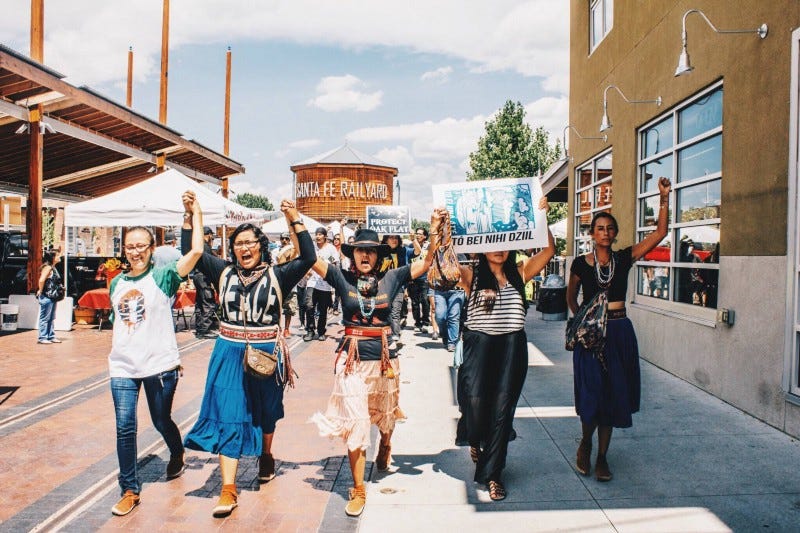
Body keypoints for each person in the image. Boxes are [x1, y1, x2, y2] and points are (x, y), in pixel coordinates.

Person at [182, 199, 315, 518]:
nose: (244, 248)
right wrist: (190, 217)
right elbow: (191, 253)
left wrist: (293, 217)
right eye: (238, 243)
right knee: (229, 414)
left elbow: (309, 257)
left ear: (261, 246)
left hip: (266, 353)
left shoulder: (279, 275)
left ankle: (266, 454)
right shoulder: (222, 271)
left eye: (250, 242)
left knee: (267, 412)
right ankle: (228, 489)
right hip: (228, 353)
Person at [310, 209, 447, 517]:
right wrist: (295, 220)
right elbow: (309, 258)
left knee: (385, 415)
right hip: (351, 362)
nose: (365, 255)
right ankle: (358, 488)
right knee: (356, 422)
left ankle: (385, 444)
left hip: (385, 361)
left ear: (378, 255)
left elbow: (426, 262)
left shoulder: (392, 278)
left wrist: (434, 228)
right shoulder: (341, 277)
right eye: (360, 250)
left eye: (371, 251)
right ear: (352, 254)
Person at [566, 177, 671, 483]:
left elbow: (660, 233)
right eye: (600, 228)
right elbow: (571, 297)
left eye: (610, 228)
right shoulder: (580, 264)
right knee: (592, 394)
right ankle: (586, 442)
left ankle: (602, 457)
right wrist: (582, 321)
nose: (605, 232)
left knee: (612, 394)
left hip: (619, 330)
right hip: (591, 336)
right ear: (591, 233)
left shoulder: (623, 258)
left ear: (615, 234)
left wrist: (663, 199)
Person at [107, 190, 206, 517]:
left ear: (151, 249)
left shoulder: (163, 276)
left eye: (141, 246)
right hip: (122, 367)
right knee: (125, 427)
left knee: (161, 419)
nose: (135, 251)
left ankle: (176, 452)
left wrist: (193, 213)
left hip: (160, 365)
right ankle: (130, 489)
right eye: (130, 246)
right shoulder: (116, 283)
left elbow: (196, 251)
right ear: (124, 250)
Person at [456, 197, 555, 501]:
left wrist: (542, 218)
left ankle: (493, 475)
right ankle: (474, 438)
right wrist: (441, 233)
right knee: (474, 405)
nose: (499, 248)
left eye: (505, 242)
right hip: (478, 347)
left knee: (502, 411)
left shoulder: (520, 272)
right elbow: (444, 268)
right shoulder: (471, 275)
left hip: (512, 347)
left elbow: (549, 251)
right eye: (493, 242)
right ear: (482, 246)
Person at [303, 227, 339, 341]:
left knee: (323, 309)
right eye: (316, 234)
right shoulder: (312, 248)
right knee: (309, 305)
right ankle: (310, 330)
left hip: (325, 283)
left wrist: (328, 273)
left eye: (320, 234)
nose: (317, 236)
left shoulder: (331, 249)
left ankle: (321, 331)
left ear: (325, 236)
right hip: (312, 282)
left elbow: (334, 264)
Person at [379, 233, 408, 344]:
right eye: (391, 237)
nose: (394, 240)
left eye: (396, 238)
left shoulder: (402, 252)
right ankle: (385, 335)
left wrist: (406, 289)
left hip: (398, 287)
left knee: (395, 312)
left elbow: (405, 271)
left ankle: (395, 335)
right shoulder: (380, 252)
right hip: (383, 287)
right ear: (386, 239)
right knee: (385, 312)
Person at [193, 226, 220, 339]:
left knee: (200, 303)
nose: (212, 238)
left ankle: (200, 328)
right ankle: (204, 330)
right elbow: (210, 264)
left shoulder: (198, 246)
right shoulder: (205, 246)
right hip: (203, 277)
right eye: (211, 236)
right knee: (208, 303)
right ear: (208, 235)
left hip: (197, 276)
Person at [36, 248, 63, 344]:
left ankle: (50, 336)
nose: (59, 257)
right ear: (52, 257)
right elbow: (41, 280)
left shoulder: (53, 267)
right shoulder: (47, 267)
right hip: (47, 295)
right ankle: (43, 337)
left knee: (51, 317)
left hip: (52, 296)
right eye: (57, 255)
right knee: (45, 317)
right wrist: (40, 290)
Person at [406, 228, 431, 334]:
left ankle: (425, 322)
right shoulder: (410, 246)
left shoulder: (429, 246)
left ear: (425, 236)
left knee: (425, 300)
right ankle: (417, 322)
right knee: (415, 302)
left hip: (425, 278)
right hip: (413, 278)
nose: (418, 235)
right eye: (416, 233)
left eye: (420, 234)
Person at [275, 231, 299, 337]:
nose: (284, 240)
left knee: (289, 309)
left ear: (289, 240)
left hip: (291, 284)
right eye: (282, 238)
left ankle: (286, 329)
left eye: (286, 238)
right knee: (276, 308)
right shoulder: (275, 251)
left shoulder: (294, 251)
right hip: (278, 284)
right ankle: (277, 328)